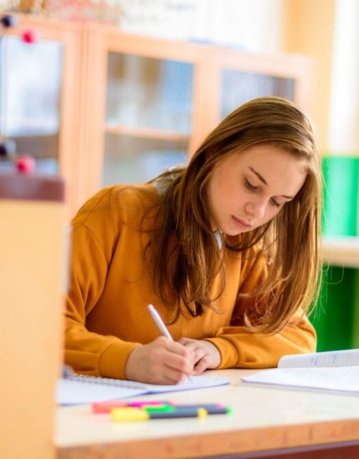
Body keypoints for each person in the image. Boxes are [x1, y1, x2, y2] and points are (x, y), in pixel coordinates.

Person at [64, 96, 322, 385]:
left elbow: (298, 336)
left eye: (277, 201)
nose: (258, 211)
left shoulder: (245, 245)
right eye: (250, 184)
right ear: (214, 152)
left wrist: (219, 349)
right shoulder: (115, 212)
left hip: (187, 412)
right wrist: (125, 360)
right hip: (96, 415)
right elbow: (43, 324)